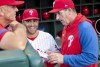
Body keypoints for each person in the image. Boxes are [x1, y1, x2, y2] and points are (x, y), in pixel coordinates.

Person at [47, 0, 98, 67]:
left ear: (69, 11)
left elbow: (91, 57)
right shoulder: (66, 26)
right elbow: (70, 48)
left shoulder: (85, 28)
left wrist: (63, 58)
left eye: (59, 13)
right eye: (56, 14)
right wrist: (57, 52)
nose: (57, 18)